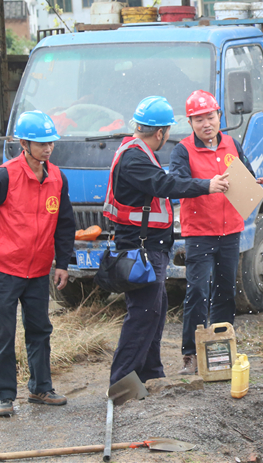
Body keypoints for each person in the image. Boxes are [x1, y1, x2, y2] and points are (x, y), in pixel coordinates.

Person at [0, 110, 75, 417]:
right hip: (3, 269)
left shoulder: (57, 177)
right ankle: (4, 396)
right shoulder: (3, 176)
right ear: (24, 144)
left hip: (39, 269)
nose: (48, 148)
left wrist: (62, 263)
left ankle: (41, 388)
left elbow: (65, 224)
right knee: (4, 332)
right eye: (41, 143)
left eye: (50, 143)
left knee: (40, 328)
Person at [104, 96, 197, 386]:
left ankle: (151, 373)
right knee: (144, 314)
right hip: (141, 248)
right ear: (161, 132)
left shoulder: (138, 151)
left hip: (149, 247)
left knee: (154, 312)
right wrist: (208, 185)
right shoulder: (135, 157)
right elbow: (165, 184)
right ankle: (121, 382)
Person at [169, 90, 254, 375]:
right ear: (190, 123)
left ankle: (222, 348)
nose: (206, 124)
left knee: (226, 290)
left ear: (219, 116)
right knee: (197, 291)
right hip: (200, 233)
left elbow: (248, 177)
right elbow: (177, 184)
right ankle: (190, 354)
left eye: (210, 117)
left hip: (230, 232)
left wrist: (249, 188)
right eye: (199, 119)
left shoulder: (232, 144)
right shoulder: (182, 150)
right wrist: (207, 185)